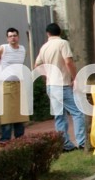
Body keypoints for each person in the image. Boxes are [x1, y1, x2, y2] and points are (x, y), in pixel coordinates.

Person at [34, 23, 87, 152]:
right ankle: (82, 142)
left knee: (59, 115)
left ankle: (65, 145)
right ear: (60, 32)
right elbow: (68, 61)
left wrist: (47, 76)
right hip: (62, 84)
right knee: (77, 112)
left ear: (48, 33)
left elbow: (37, 65)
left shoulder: (44, 47)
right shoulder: (63, 43)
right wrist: (75, 77)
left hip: (51, 86)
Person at [0, 27, 29, 143]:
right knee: (7, 114)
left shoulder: (22, 49)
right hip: (5, 84)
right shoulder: (3, 49)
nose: (13, 38)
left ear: (18, 37)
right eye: (10, 36)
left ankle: (20, 138)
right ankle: (5, 139)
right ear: (7, 38)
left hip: (19, 84)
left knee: (20, 114)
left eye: (14, 35)